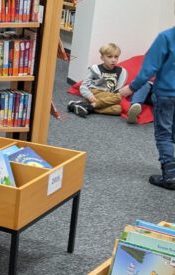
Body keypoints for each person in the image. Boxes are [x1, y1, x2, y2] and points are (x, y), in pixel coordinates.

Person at [119, 24, 175, 190]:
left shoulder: (166, 37)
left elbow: (149, 68)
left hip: (166, 93)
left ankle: (170, 175)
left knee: (164, 134)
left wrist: (131, 87)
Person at [68, 43, 127, 118]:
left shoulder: (120, 71)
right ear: (102, 58)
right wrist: (90, 96)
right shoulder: (96, 69)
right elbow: (83, 86)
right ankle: (89, 105)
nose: (113, 60)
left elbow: (118, 89)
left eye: (116, 57)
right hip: (94, 93)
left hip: (107, 97)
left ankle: (86, 107)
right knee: (118, 97)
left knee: (117, 109)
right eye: (110, 57)